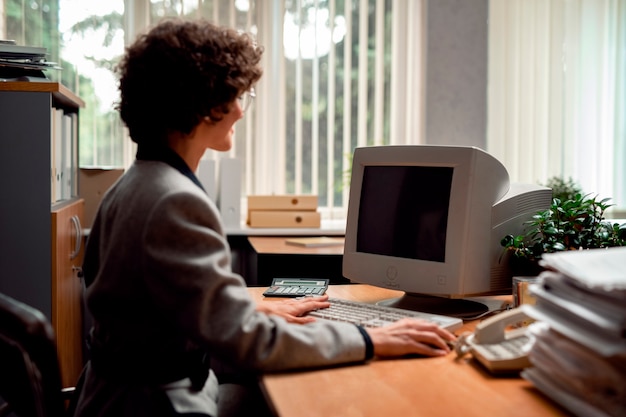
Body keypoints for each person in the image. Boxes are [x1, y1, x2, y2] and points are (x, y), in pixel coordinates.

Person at [72, 17, 456, 417]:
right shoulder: (173, 201)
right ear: (202, 104)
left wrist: (247, 311)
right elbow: (250, 345)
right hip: (157, 404)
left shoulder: (132, 185)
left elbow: (154, 309)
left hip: (113, 394)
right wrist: (370, 338)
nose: (240, 110)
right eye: (235, 95)